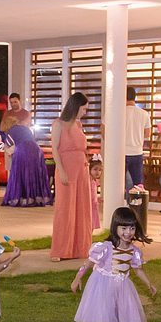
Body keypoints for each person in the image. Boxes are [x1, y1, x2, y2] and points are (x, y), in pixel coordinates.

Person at [72, 207, 157, 322]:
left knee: (118, 315)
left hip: (122, 287)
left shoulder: (134, 251)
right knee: (100, 314)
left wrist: (149, 284)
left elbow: (138, 270)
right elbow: (88, 263)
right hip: (102, 284)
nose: (128, 232)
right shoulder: (105, 248)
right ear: (115, 227)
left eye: (132, 228)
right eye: (124, 228)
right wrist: (77, 278)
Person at [50, 92, 96, 260]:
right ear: (75, 107)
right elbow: (55, 150)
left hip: (82, 170)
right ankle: (61, 250)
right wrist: (61, 170)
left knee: (82, 208)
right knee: (65, 209)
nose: (85, 112)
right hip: (66, 170)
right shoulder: (58, 124)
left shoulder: (78, 124)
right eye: (83, 109)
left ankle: (80, 248)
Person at [0, 93, 52, 207]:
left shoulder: (12, 130)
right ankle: (35, 197)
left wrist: (11, 153)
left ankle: (21, 197)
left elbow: (8, 146)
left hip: (22, 150)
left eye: (15, 102)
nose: (13, 104)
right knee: (33, 173)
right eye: (11, 102)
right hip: (36, 150)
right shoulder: (24, 129)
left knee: (20, 173)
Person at [124, 86, 151, 191]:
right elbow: (147, 133)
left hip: (122, 153)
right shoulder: (144, 113)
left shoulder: (118, 112)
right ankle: (136, 202)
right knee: (138, 186)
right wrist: (137, 135)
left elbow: (103, 129)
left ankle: (121, 201)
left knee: (119, 184)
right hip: (137, 152)